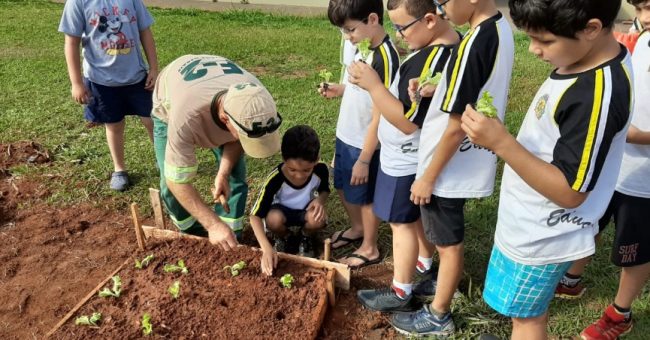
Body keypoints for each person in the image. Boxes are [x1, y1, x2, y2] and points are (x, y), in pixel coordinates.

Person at [459, 0, 633, 338]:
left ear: (591, 29)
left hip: (544, 235)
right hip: (529, 219)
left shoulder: (596, 94)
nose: (535, 50)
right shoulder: (584, 60)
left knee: (528, 318)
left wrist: (502, 143)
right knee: (521, 314)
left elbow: (571, 192)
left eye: (545, 40)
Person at [389, 0, 515, 335]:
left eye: (444, 2)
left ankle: (438, 314)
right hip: (460, 161)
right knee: (447, 239)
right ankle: (440, 284)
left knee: (448, 243)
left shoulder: (474, 41)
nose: (442, 10)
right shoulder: (497, 28)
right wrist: (437, 87)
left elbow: (457, 124)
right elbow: (471, 85)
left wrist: (427, 176)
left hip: (447, 167)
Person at [347, 0, 460, 312]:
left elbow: (407, 122)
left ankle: (401, 291)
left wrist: (373, 86)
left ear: (428, 20)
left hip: (406, 156)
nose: (398, 35)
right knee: (412, 218)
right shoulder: (450, 45)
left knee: (400, 223)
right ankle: (424, 265)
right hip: (412, 156)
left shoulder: (431, 59)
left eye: (402, 27)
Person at [151, 54, 282, 251]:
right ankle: (192, 234)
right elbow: (176, 182)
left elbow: (237, 139)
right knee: (169, 185)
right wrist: (212, 224)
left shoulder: (255, 98)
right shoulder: (185, 119)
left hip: (213, 85)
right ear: (224, 119)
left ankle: (229, 238)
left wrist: (223, 173)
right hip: (169, 101)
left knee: (234, 178)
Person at [580, 2, 650, 339]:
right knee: (588, 219)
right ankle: (572, 277)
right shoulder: (643, 37)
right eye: (640, 7)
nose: (645, 16)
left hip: (644, 179)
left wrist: (638, 136)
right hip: (615, 163)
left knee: (634, 250)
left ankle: (620, 312)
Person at [320, 0, 400, 268]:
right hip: (346, 134)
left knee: (364, 196)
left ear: (373, 20)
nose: (347, 37)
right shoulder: (362, 48)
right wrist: (339, 89)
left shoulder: (386, 58)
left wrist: (365, 158)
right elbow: (359, 89)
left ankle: (370, 247)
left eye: (350, 30)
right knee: (342, 184)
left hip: (365, 143)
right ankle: (357, 228)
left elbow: (381, 112)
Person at [59, 0, 159, 191]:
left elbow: (145, 32)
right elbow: (71, 42)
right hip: (101, 81)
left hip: (137, 77)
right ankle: (119, 170)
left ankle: (163, 159)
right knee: (114, 125)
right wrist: (77, 83)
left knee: (152, 120)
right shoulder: (77, 2)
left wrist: (154, 68)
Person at [250, 125, 330, 275]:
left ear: (317, 159)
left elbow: (325, 190)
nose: (299, 176)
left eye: (306, 170)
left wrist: (319, 200)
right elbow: (255, 216)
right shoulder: (275, 179)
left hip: (305, 211)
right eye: (292, 169)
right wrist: (266, 248)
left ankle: (305, 237)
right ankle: (286, 237)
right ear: (283, 159)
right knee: (273, 219)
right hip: (281, 212)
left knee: (318, 218)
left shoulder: (321, 170)